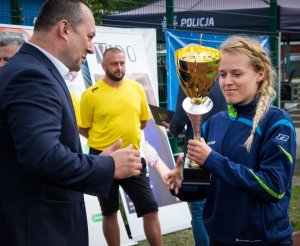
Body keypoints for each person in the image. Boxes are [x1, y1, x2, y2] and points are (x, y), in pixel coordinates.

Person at [0, 1, 142, 246]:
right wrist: (108, 166)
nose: (90, 48)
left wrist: (99, 162)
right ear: (64, 29)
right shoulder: (31, 75)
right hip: (38, 231)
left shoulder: (35, 69)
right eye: (89, 36)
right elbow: (43, 158)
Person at [165, 36, 297, 245]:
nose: (227, 82)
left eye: (237, 74)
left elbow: (274, 186)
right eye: (222, 75)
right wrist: (181, 185)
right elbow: (201, 188)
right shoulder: (213, 123)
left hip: (263, 240)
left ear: (259, 75)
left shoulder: (277, 122)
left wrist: (212, 159)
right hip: (218, 239)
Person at [79, 47, 163, 246]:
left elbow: (142, 121)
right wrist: (103, 143)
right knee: (109, 212)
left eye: (122, 63)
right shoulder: (91, 94)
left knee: (150, 208)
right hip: (102, 159)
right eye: (114, 63)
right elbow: (83, 128)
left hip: (133, 157)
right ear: (104, 66)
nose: (119, 67)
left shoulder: (136, 89)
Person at [162, 81, 226, 246]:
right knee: (221, 201)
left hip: (197, 148)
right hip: (223, 145)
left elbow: (179, 119)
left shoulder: (189, 81)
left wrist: (172, 126)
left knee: (198, 208)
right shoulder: (224, 79)